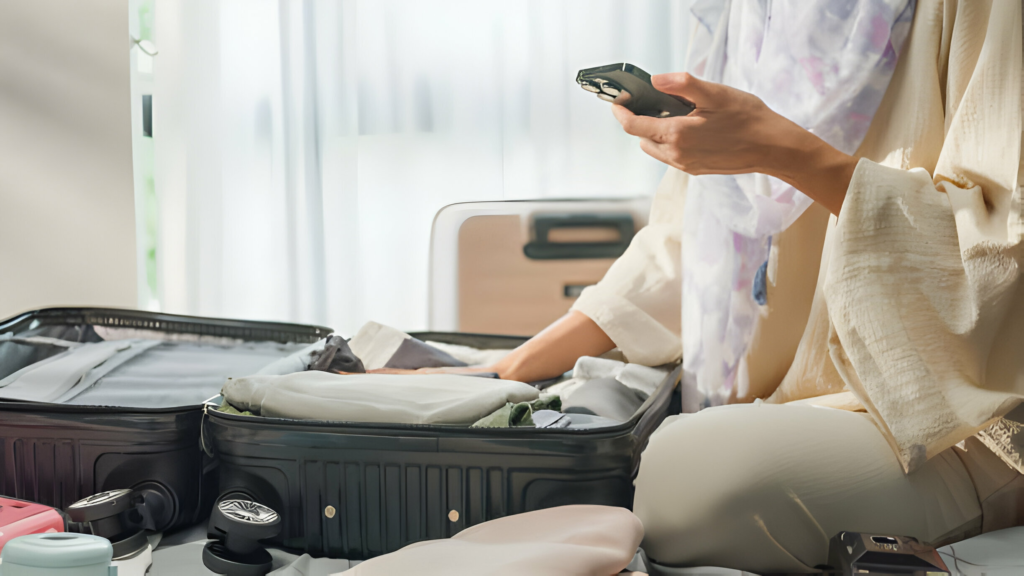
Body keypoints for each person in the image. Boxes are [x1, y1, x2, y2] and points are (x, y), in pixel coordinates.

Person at [393, 1, 1024, 571]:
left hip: (950, 422)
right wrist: (513, 369)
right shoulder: (745, 16)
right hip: (765, 394)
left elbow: (996, 254)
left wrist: (786, 152)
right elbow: (685, 241)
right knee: (574, 428)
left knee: (686, 475)